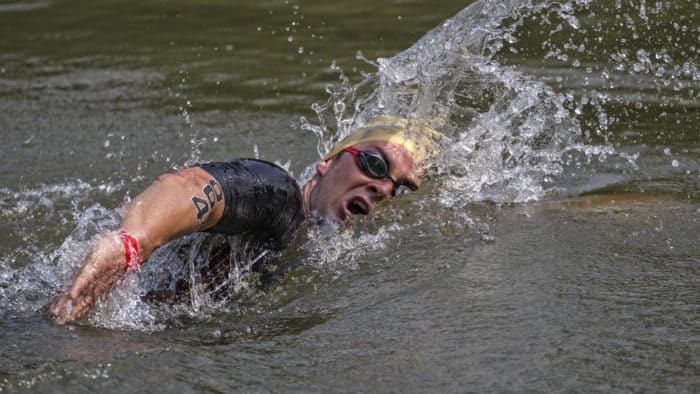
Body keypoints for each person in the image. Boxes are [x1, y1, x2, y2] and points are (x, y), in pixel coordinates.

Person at [51, 115, 443, 324]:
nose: (384, 188)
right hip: (93, 317)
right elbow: (193, 187)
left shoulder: (321, 248)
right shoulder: (279, 200)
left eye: (401, 188)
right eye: (374, 164)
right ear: (328, 163)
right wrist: (131, 243)